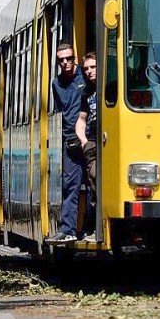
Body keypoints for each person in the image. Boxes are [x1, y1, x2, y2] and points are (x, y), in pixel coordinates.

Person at [49, 43, 87, 243]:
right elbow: (59, 113)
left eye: (68, 58)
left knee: (94, 184)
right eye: (61, 60)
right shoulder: (57, 84)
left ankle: (90, 225)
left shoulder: (86, 75)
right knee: (70, 185)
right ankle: (68, 229)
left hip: (89, 139)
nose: (65, 62)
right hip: (69, 141)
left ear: (75, 58)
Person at [75, 51, 97, 240]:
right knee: (93, 179)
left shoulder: (113, 87)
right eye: (86, 69)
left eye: (93, 67)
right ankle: (92, 226)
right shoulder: (86, 92)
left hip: (111, 144)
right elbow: (81, 119)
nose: (89, 72)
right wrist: (84, 141)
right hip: (93, 144)